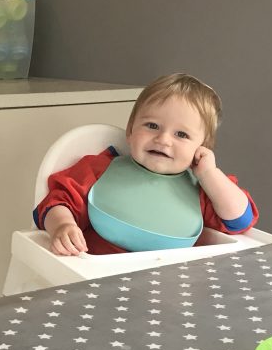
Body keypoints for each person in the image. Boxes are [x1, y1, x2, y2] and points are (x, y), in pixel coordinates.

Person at [34, 73, 258, 255]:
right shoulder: (99, 169)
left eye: (181, 134)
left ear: (201, 148)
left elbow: (240, 220)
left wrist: (209, 173)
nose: (163, 140)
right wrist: (62, 226)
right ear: (130, 130)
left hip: (170, 289)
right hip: (98, 281)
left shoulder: (202, 189)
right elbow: (56, 202)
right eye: (152, 126)